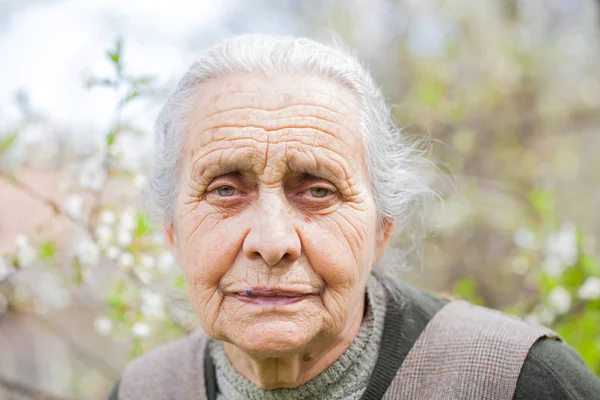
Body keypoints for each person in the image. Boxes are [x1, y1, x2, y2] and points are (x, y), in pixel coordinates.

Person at [110, 34, 600, 399]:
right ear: (173, 231)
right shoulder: (142, 391)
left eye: (318, 191)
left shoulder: (520, 383)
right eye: (225, 190)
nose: (272, 240)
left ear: (382, 229)